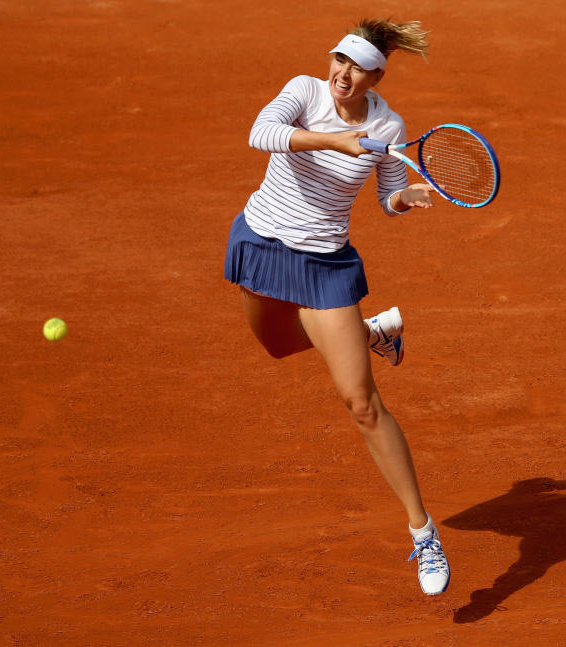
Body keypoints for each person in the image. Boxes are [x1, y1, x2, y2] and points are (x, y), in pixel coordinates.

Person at [223, 18, 449, 596]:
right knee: (276, 347)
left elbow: (387, 198)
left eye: (357, 68)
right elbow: (261, 133)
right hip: (262, 243)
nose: (342, 74)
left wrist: (406, 196)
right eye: (338, 61)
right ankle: (369, 331)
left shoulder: (388, 125)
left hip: (324, 264)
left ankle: (423, 534)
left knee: (361, 402)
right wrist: (334, 140)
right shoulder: (304, 90)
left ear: (377, 74)